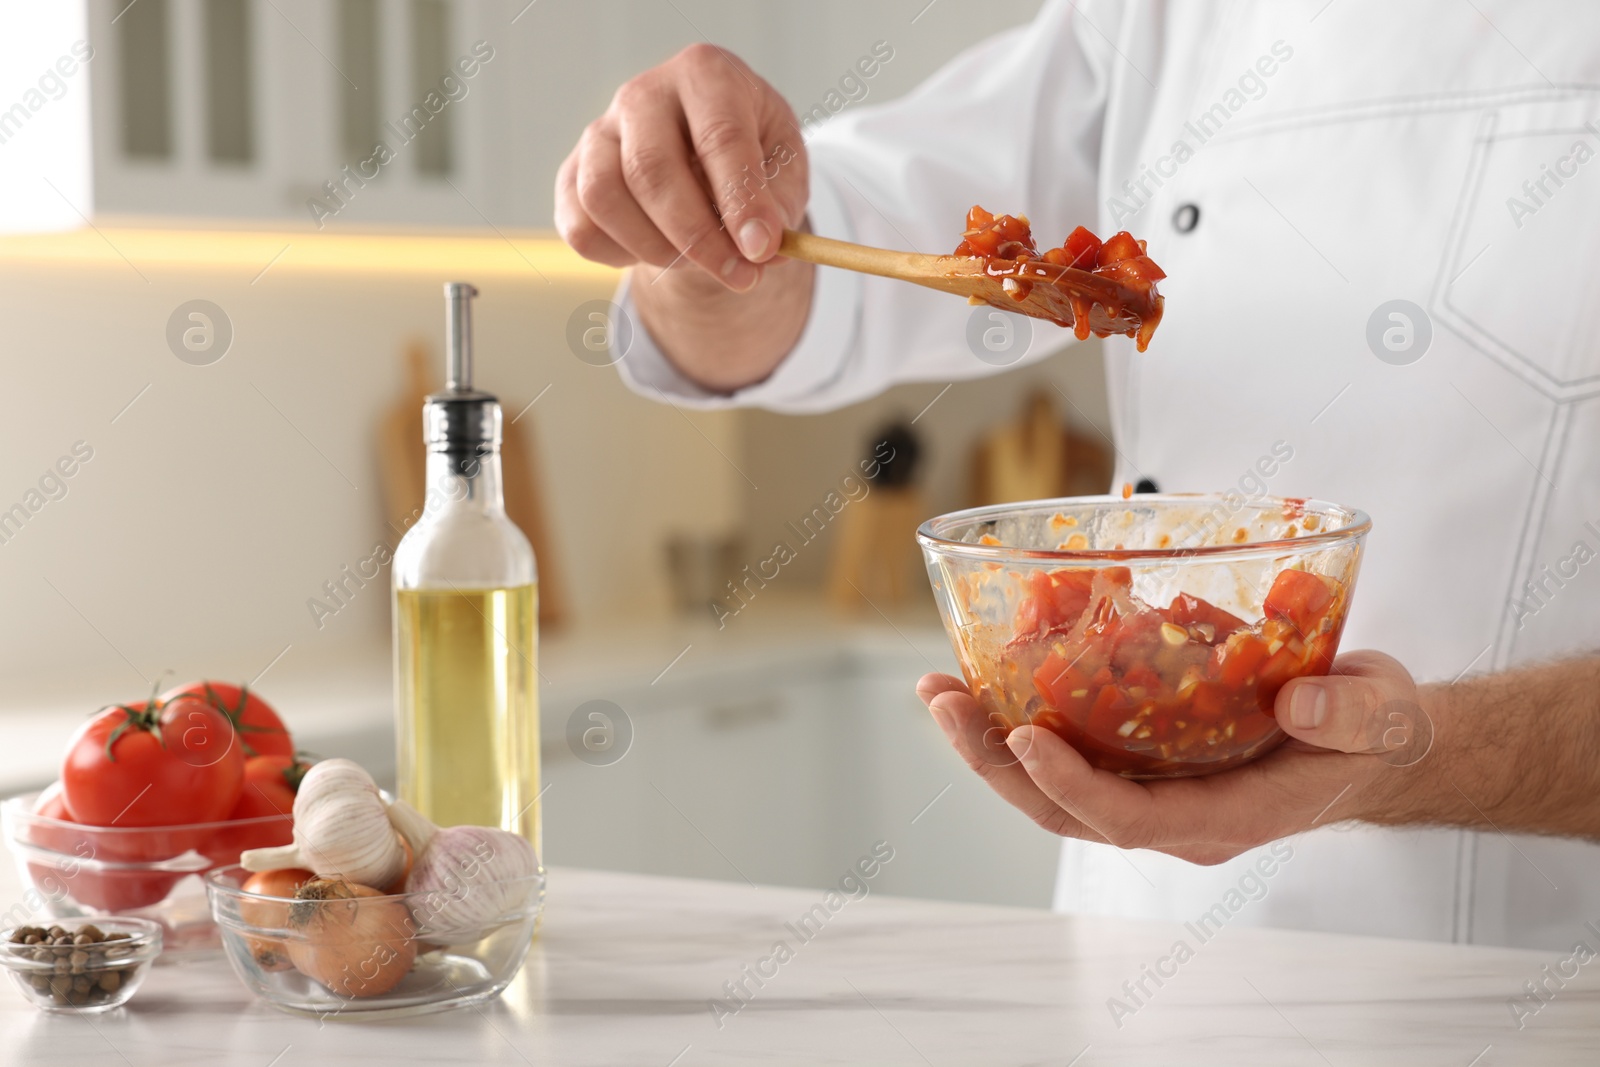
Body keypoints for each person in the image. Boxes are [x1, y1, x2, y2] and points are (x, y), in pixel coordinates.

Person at [554, 1, 1600, 950]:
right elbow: (815, 275)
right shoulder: (1156, 22)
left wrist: (1430, 752)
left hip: (1532, 979)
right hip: (1144, 950)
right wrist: (700, 222)